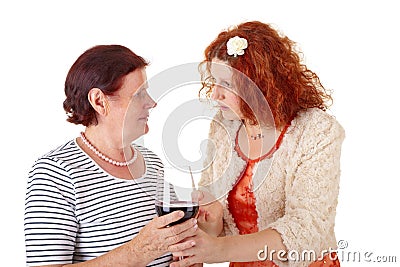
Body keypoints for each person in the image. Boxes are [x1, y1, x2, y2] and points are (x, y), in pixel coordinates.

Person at [171, 21, 345, 267]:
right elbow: (217, 225)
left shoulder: (317, 130)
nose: (214, 95)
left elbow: (309, 228)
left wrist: (218, 249)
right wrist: (211, 221)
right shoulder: (222, 126)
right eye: (214, 81)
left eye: (227, 84)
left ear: (259, 85)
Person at [24, 45, 198, 267]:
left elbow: (174, 252)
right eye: (139, 95)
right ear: (99, 101)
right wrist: (136, 253)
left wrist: (189, 256)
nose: (152, 103)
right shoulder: (55, 173)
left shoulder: (152, 162)